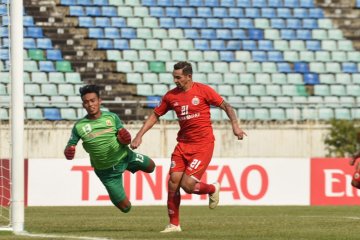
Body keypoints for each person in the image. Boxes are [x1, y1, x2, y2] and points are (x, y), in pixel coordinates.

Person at [130, 61, 246, 233]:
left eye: (178, 77)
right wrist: (139, 135)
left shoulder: (203, 90)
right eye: (174, 77)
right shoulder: (171, 96)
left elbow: (226, 106)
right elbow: (155, 115)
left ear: (189, 76)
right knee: (172, 183)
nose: (175, 80)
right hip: (182, 145)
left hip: (202, 145)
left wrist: (235, 126)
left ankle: (212, 188)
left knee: (188, 185)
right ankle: (174, 224)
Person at [64, 84, 156, 213]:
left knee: (151, 167)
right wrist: (68, 152)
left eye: (93, 101)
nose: (90, 104)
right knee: (126, 208)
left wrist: (125, 139)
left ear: (99, 101)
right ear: (83, 105)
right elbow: (69, 147)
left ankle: (131, 166)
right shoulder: (79, 126)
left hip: (125, 157)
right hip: (107, 172)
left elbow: (123, 136)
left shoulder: (112, 117)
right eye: (86, 102)